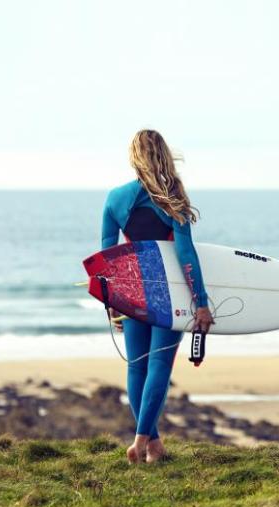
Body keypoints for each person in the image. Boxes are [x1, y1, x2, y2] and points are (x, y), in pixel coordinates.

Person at [101, 129, 215, 464]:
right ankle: (140, 443)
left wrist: (113, 303)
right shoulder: (172, 196)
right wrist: (203, 302)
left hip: (133, 288)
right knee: (159, 366)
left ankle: (153, 445)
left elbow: (108, 257)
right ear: (163, 154)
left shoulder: (115, 198)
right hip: (169, 290)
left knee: (137, 368)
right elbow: (186, 254)